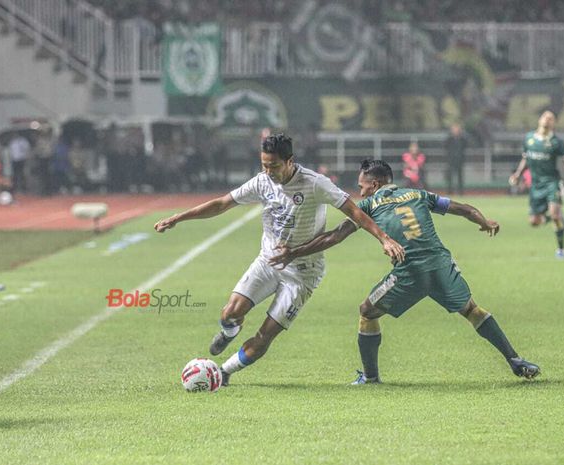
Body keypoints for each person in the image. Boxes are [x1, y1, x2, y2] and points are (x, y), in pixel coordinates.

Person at [154, 134, 405, 386]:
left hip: (302, 273)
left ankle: (223, 372)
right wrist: (179, 217)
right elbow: (221, 204)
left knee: (265, 335)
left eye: (273, 166)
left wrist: (384, 238)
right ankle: (230, 330)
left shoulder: (315, 183)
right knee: (230, 313)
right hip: (269, 262)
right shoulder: (262, 182)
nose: (268, 171)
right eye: (264, 165)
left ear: (290, 161)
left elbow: (354, 211)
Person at [270, 159, 541, 383]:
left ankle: (371, 377)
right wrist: (484, 221)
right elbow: (463, 208)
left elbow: (335, 236)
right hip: (440, 264)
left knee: (366, 312)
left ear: (374, 185)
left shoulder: (367, 205)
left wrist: (293, 252)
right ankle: (515, 359)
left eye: (362, 186)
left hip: (409, 271)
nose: (360, 192)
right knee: (473, 310)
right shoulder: (419, 194)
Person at [509, 111, 564, 259]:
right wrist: (517, 174)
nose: (547, 119)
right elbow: (525, 159)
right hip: (536, 186)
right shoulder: (529, 139)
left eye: (551, 118)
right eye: (545, 116)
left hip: (552, 183)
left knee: (555, 214)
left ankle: (561, 249)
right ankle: (555, 218)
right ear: (539, 120)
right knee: (534, 222)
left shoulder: (556, 142)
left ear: (553, 124)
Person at [445, 123, 467, 195]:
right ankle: (450, 191)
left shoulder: (462, 139)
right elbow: (445, 147)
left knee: (460, 177)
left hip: (460, 160)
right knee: (450, 177)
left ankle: (461, 192)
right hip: (451, 160)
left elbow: (465, 146)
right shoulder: (449, 139)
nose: (455, 131)